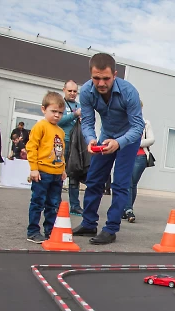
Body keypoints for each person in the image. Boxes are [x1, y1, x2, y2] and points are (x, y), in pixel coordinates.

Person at [72, 53, 144, 245]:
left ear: (115, 75)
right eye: (96, 78)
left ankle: (111, 229)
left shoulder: (129, 92)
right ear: (90, 75)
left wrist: (119, 143)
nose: (101, 83)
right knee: (94, 180)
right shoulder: (86, 92)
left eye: (106, 78)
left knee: (120, 184)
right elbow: (87, 121)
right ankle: (88, 223)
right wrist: (90, 139)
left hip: (128, 139)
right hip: (105, 137)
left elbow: (138, 126)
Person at [25, 92, 67, 243]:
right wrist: (33, 168)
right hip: (42, 173)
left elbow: (61, 152)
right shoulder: (40, 126)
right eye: (53, 111)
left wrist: (63, 169)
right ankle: (33, 231)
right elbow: (32, 147)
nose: (57, 115)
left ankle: (50, 231)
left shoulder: (60, 131)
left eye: (60, 113)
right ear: (43, 109)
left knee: (53, 204)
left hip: (57, 174)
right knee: (38, 202)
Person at [122, 100, 155, 223]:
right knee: (129, 183)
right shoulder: (125, 122)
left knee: (131, 183)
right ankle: (128, 210)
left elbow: (151, 139)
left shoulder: (145, 123)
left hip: (140, 157)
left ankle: (127, 210)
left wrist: (136, 143)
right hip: (126, 156)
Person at [58, 79, 83, 216]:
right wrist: (74, 115)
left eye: (75, 91)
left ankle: (75, 205)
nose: (72, 93)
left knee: (74, 174)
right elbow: (58, 121)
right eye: (70, 91)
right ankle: (55, 203)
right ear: (64, 90)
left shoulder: (80, 105)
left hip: (76, 144)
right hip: (62, 143)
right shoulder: (59, 104)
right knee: (58, 173)